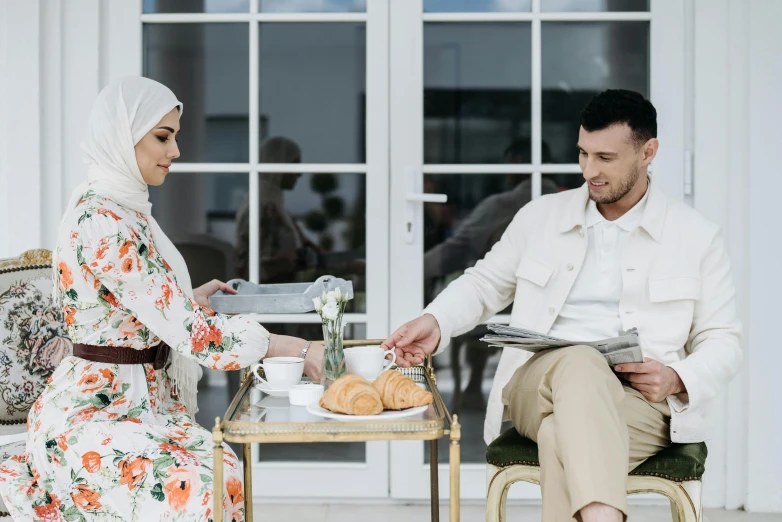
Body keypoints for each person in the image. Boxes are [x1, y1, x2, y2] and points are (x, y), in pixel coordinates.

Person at [383, 89, 742, 522]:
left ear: (648, 152)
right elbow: (482, 284)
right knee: (580, 361)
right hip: (538, 388)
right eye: (583, 153)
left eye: (605, 158)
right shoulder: (540, 217)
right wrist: (434, 320)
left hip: (643, 403)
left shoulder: (697, 236)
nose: (590, 170)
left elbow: (723, 340)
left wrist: (676, 377)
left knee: (561, 435)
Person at [0, 76, 323, 521]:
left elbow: (121, 307)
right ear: (122, 137)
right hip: (95, 415)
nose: (175, 151)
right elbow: (192, 333)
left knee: (224, 471)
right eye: (162, 137)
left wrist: (183, 299)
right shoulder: (102, 220)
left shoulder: (126, 210)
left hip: (143, 406)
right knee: (207, 487)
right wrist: (298, 349)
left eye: (174, 137)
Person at [423, 138, 558, 411]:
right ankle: (472, 385)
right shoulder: (564, 204)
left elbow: (457, 250)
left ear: (519, 162)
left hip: (503, 309)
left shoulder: (503, 205)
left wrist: (412, 270)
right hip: (542, 311)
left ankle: (437, 389)